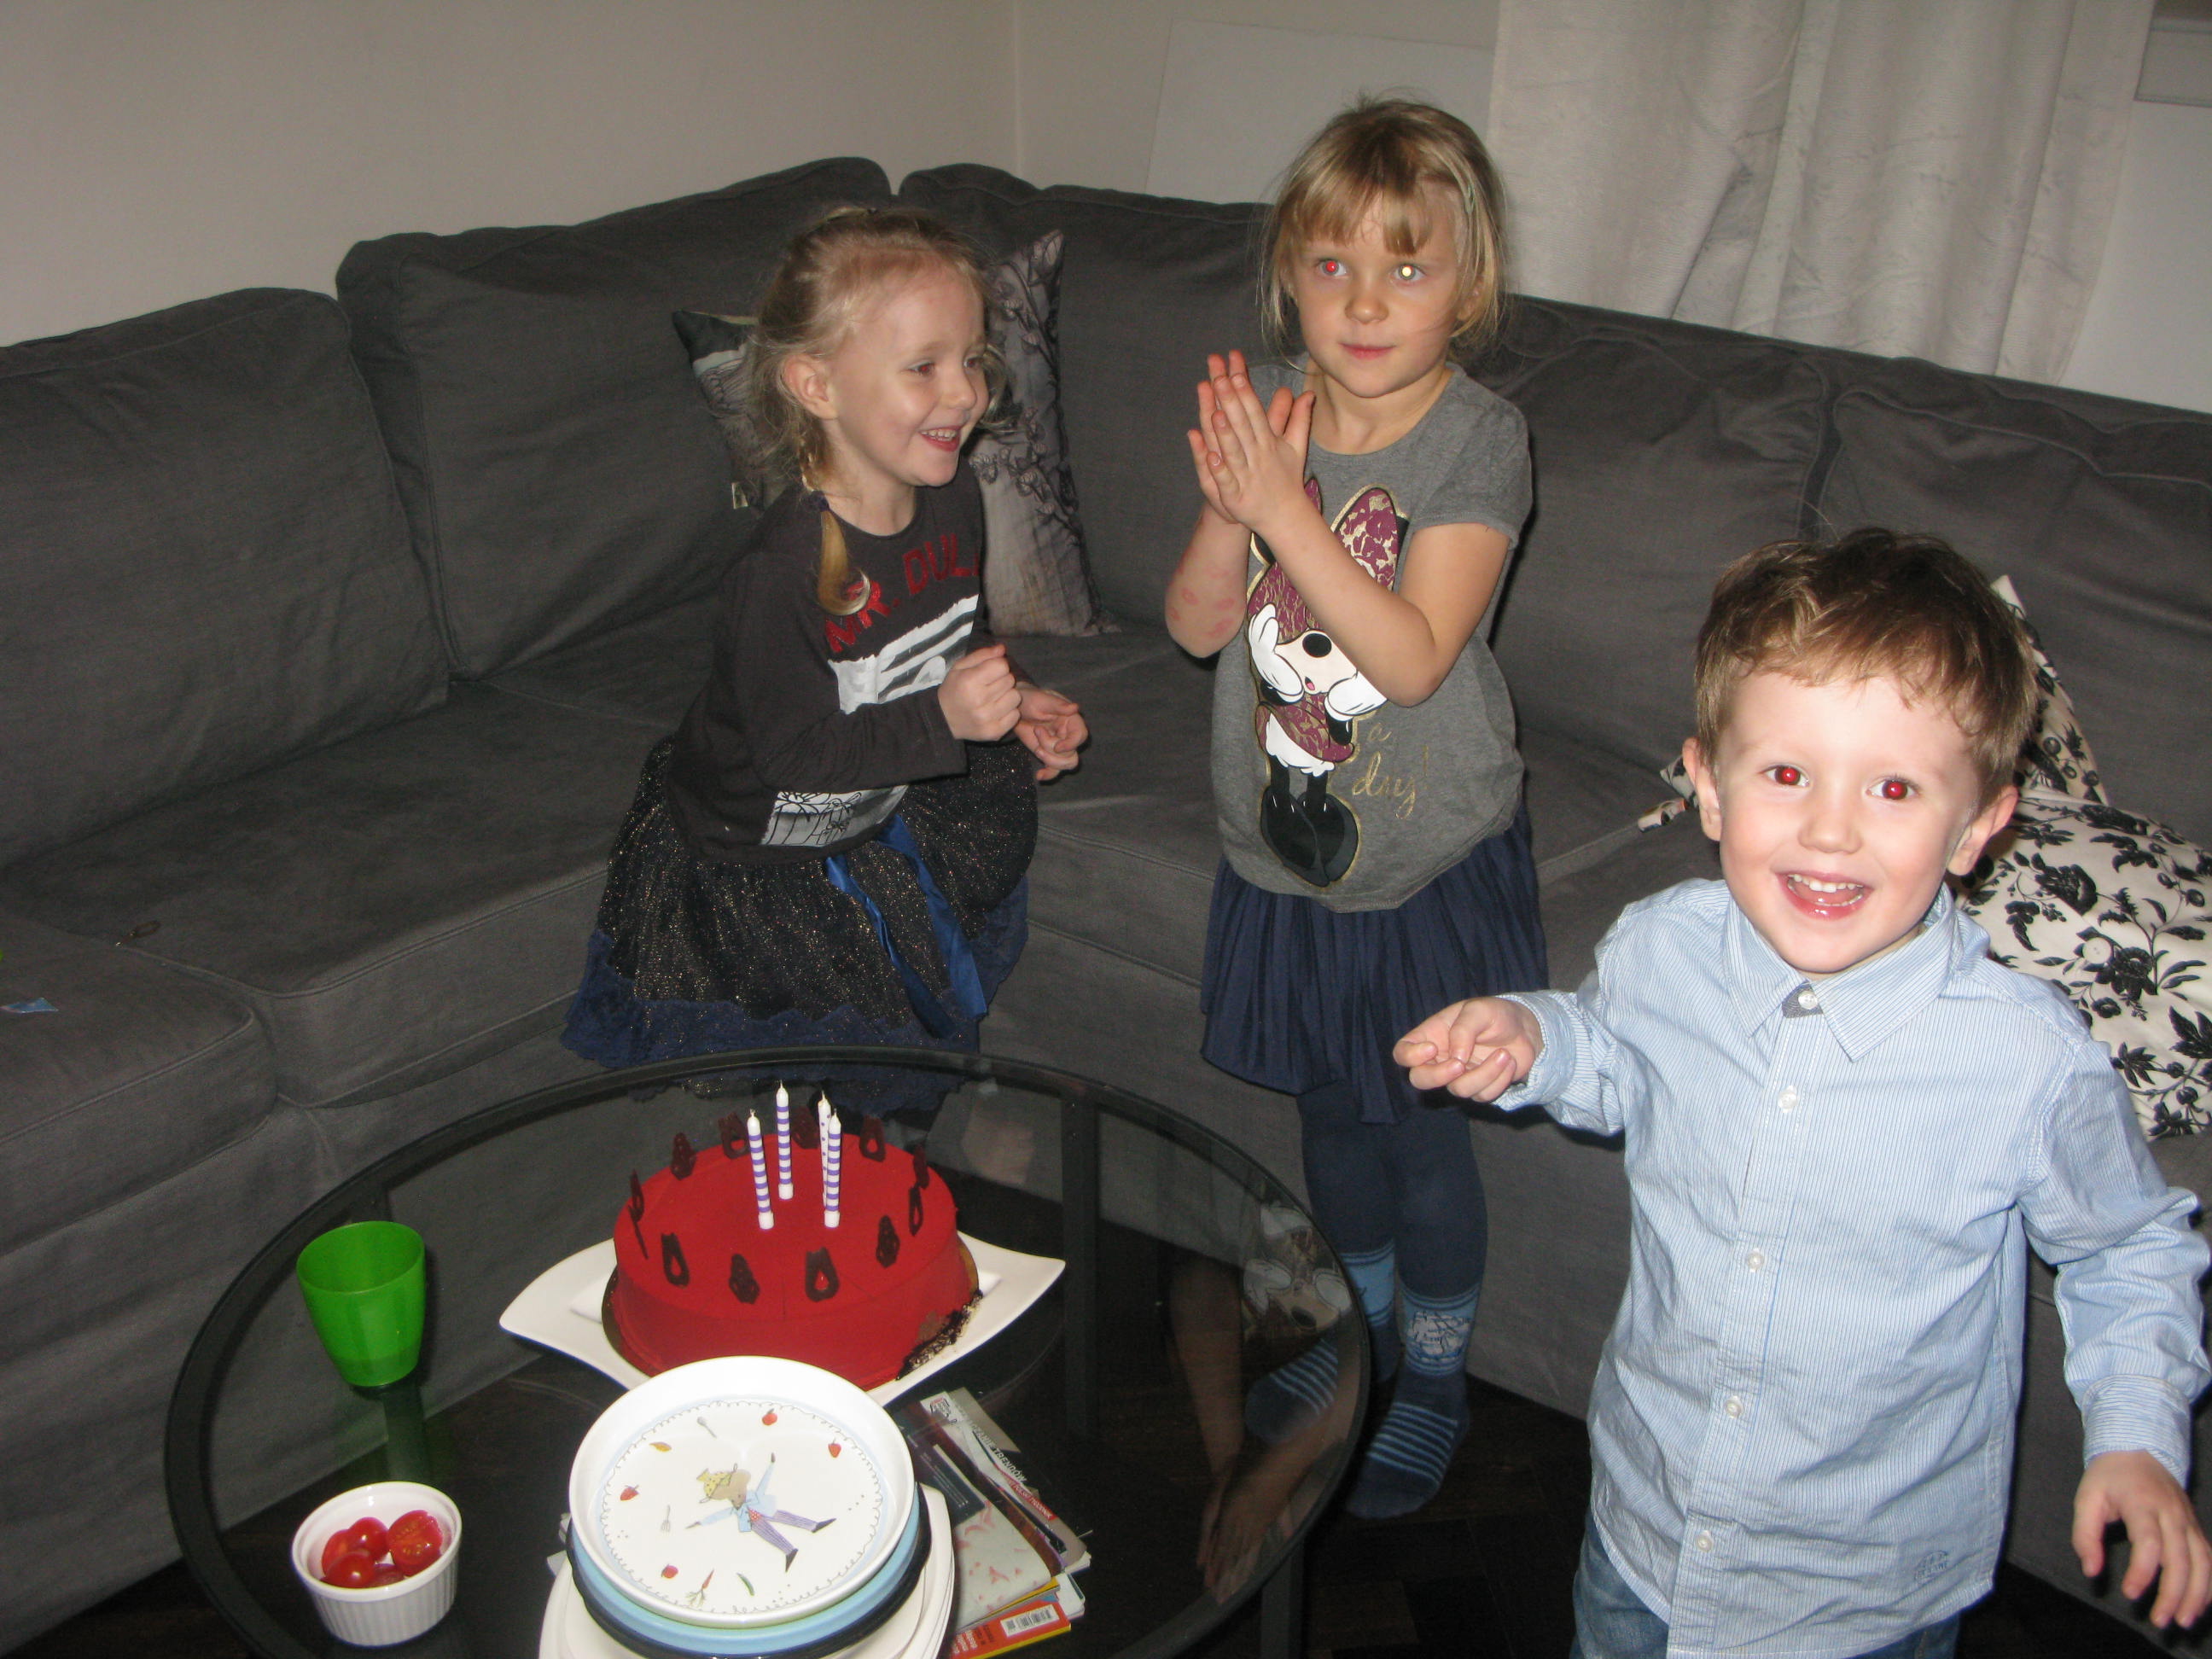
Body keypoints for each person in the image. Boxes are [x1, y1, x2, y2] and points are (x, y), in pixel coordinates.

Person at [1399, 531, 2212, 1657]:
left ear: (1978, 826)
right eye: (1787, 774)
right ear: (1708, 788)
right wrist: (1535, 1036)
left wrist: (2137, 1440)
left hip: (1862, 1594)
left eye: (1895, 787)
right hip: (1646, 1523)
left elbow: (2129, 1249)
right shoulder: (1663, 947)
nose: (1831, 829)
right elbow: (1619, 1057)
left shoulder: (2022, 1061)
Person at [1163, 98, 1544, 1519]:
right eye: (1332, 266)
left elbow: (1410, 655)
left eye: (1406, 266)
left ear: (1467, 284)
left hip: (1425, 864)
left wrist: (1285, 508)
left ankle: (1434, 1377)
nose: (1366, 303)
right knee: (1331, 1117)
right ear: (1289, 277)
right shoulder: (1272, 413)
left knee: (1421, 1139)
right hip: (1284, 853)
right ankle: (1362, 1344)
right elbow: (1198, 627)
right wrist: (1232, 507)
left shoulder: (1480, 441)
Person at [563, 208, 1086, 1122]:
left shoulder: (953, 498)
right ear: (816, 384)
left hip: (876, 800)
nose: (964, 393)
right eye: (923, 367)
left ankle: (888, 1154)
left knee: (898, 1038)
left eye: (972, 358)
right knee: (821, 1068)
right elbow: (794, 755)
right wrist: (945, 721)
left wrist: (1015, 696)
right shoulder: (782, 572)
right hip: (763, 853)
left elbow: (948, 632)